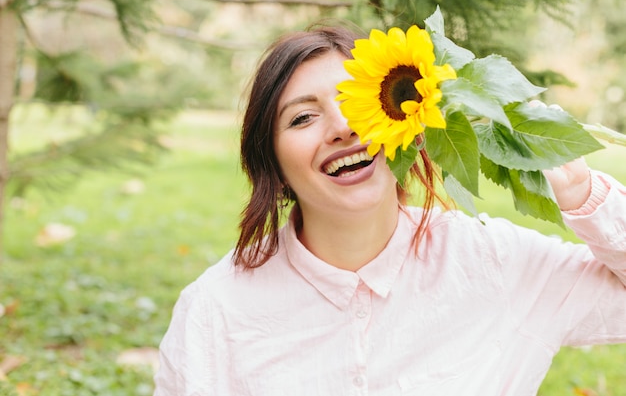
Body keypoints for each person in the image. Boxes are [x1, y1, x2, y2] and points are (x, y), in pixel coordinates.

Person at [153, 25, 626, 396]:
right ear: (271, 165)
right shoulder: (216, 312)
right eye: (302, 117)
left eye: (355, 102)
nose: (341, 127)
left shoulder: (494, 263)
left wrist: (586, 197)